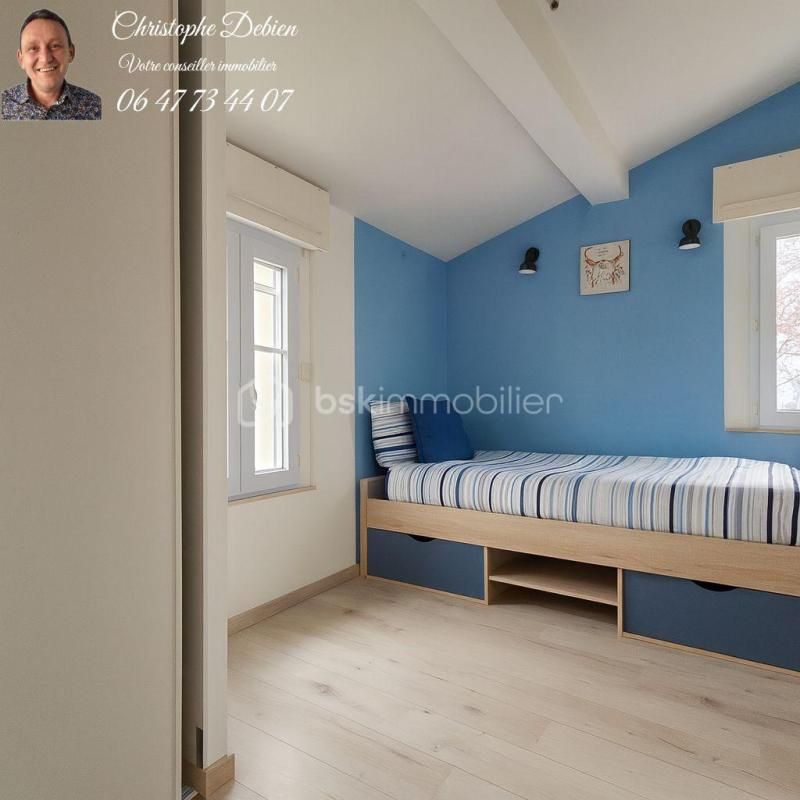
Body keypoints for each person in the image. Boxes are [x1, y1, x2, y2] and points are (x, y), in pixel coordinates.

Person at [1, 9, 101, 120]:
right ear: (21, 59)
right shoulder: (3, 104)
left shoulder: (95, 106)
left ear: (71, 53)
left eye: (55, 46)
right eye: (33, 48)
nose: (45, 58)